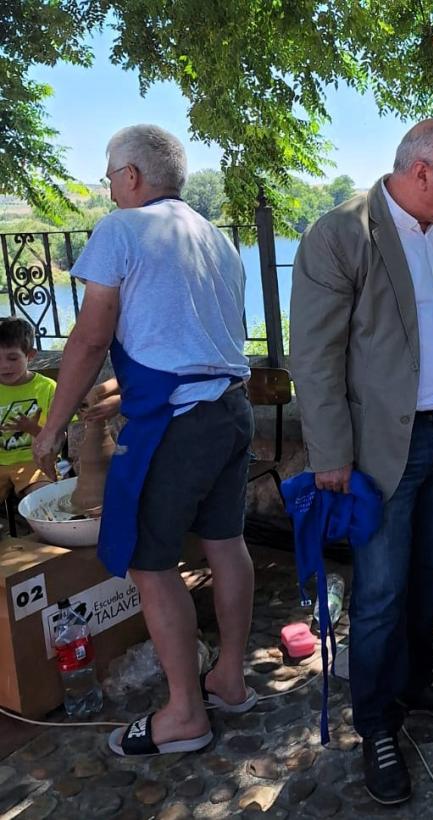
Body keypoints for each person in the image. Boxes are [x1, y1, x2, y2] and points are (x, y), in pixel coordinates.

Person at [32, 124, 257, 757]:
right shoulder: (213, 239)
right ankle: (230, 680)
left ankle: (185, 714)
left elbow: (90, 337)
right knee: (226, 543)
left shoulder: (121, 229)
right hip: (231, 412)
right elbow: (187, 340)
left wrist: (54, 426)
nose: (108, 187)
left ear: (132, 176)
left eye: (108, 175)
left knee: (152, 564)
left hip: (180, 423)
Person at [289, 118, 433, 806]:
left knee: (432, 571)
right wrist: (331, 456)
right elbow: (312, 358)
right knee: (377, 596)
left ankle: (413, 683)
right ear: (422, 171)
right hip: (377, 448)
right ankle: (374, 723)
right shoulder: (341, 234)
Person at [0, 317, 57, 503]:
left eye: (12, 358)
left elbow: (59, 438)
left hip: (34, 463)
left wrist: (32, 429)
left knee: (47, 499)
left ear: (30, 355)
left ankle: (44, 531)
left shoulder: (48, 388)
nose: (3, 366)